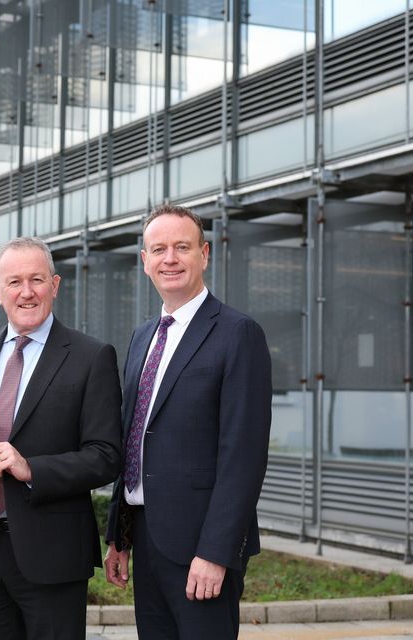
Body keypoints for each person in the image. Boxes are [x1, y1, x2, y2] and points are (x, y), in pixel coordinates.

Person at [103, 204, 272, 639]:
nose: (170, 259)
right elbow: (134, 434)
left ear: (205, 254)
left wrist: (216, 552)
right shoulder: (143, 336)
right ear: (144, 261)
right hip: (146, 537)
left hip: (201, 546)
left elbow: (244, 456)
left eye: (182, 247)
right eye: (158, 249)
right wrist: (119, 535)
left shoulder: (238, 333)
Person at [0, 237, 123, 640]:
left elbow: (106, 456)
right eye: (14, 282)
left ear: (56, 284)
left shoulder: (91, 356)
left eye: (36, 280)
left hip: (54, 556)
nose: (26, 292)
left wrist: (32, 468)